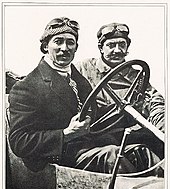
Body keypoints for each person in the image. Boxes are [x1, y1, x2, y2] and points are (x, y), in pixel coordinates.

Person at [8, 17, 124, 174]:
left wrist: (126, 111)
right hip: (59, 158)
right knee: (114, 155)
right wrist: (66, 134)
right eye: (58, 41)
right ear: (45, 46)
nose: (65, 48)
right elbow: (20, 142)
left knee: (140, 150)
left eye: (70, 42)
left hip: (90, 147)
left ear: (76, 47)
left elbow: (93, 114)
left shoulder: (78, 79)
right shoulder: (27, 87)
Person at [75, 22, 165, 170]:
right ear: (101, 48)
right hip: (88, 142)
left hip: (124, 141)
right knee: (114, 156)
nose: (117, 50)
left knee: (149, 156)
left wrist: (164, 129)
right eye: (111, 45)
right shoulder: (83, 69)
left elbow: (155, 103)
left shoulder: (137, 77)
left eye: (122, 45)